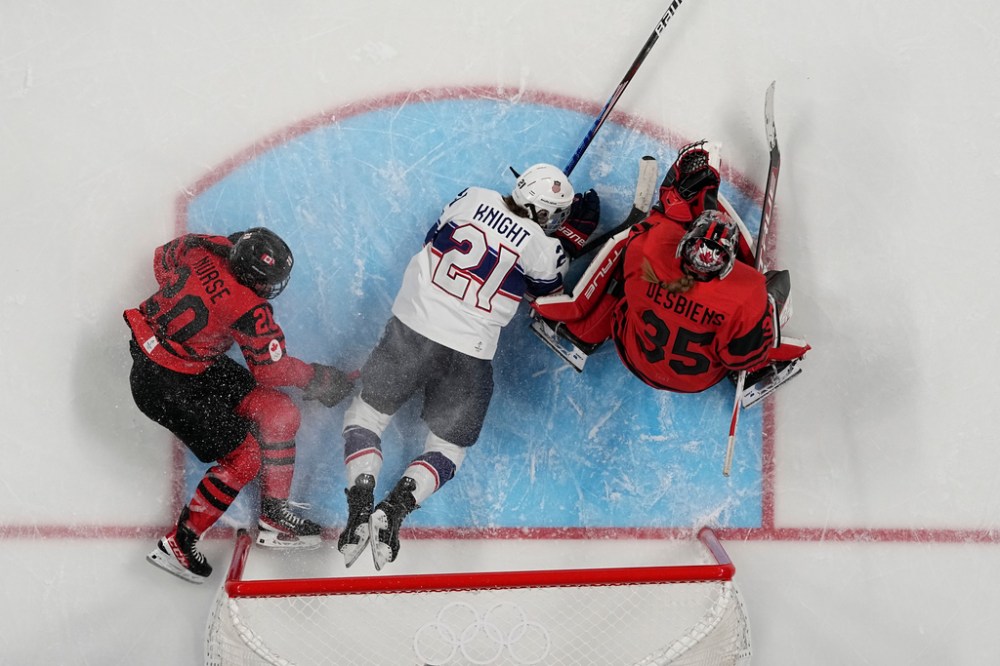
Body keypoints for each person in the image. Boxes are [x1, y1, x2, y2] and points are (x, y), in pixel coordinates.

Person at [336, 163, 600, 570]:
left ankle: (360, 495)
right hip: (468, 353)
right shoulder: (542, 248)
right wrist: (563, 240)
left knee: (366, 414)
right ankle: (397, 506)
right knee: (448, 448)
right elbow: (547, 297)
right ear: (546, 214)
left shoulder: (470, 194)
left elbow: (432, 239)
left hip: (411, 329)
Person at [124, 227, 356, 584]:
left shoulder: (206, 247)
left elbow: (162, 260)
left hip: (177, 362)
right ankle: (180, 543)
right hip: (168, 385)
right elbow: (272, 370)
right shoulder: (250, 309)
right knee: (245, 458)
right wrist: (319, 379)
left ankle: (273, 517)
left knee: (278, 412)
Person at [530, 141, 809, 394]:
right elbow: (742, 354)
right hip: (696, 381)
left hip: (633, 355)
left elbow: (663, 215)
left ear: (685, 243)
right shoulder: (747, 290)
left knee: (624, 267)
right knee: (774, 290)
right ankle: (749, 377)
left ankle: (583, 332)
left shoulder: (648, 250)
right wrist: (778, 337)